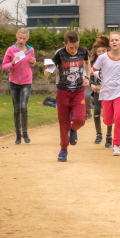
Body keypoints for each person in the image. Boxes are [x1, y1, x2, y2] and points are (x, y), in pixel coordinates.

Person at [45, 30, 92, 163]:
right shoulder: (60, 54)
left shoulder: (83, 52)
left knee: (80, 120)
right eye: (71, 47)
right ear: (65, 44)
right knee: (63, 123)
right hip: (63, 92)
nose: (74, 50)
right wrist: (48, 70)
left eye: (76, 46)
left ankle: (73, 129)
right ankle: (63, 150)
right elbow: (47, 72)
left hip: (78, 91)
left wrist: (87, 77)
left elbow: (87, 63)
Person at [92, 32, 120, 156]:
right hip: (106, 92)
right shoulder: (103, 57)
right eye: (112, 40)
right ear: (109, 43)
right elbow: (92, 71)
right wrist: (91, 81)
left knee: (118, 117)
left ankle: (116, 145)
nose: (114, 42)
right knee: (107, 120)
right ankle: (109, 124)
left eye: (117, 40)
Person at [1, 27, 37, 145]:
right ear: (16, 37)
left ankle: (25, 133)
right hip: (14, 83)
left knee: (23, 107)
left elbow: (32, 62)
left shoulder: (30, 50)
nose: (21, 40)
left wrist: (33, 61)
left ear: (27, 39)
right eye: (20, 38)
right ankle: (18, 135)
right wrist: (12, 63)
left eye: (24, 38)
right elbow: (4, 66)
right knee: (16, 109)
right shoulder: (11, 50)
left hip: (26, 82)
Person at [89, 39, 114, 148]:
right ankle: (99, 134)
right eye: (99, 51)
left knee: (108, 113)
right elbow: (89, 76)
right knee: (96, 111)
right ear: (96, 52)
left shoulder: (112, 61)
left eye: (103, 51)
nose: (101, 53)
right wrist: (92, 85)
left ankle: (109, 135)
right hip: (97, 92)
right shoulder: (93, 64)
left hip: (109, 92)